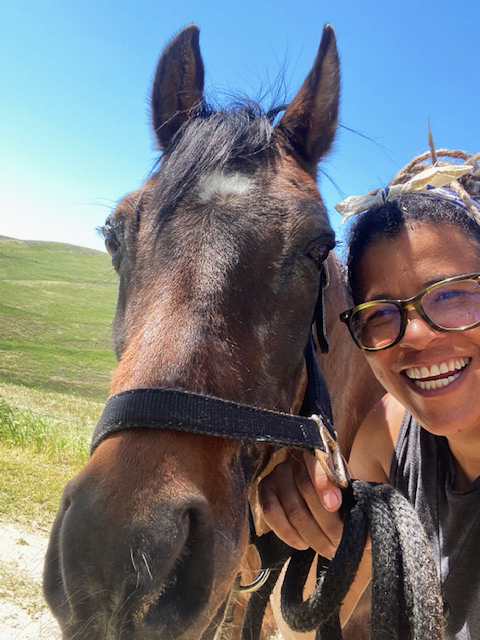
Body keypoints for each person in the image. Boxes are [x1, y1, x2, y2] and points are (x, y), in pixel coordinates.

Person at [258, 149, 480, 640]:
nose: (416, 335)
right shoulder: (390, 432)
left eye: (452, 293)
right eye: (380, 313)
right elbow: (312, 616)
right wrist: (309, 518)